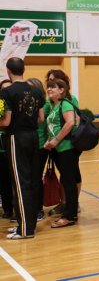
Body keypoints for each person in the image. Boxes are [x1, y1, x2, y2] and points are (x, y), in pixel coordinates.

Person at [0, 57, 45, 239]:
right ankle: (26, 224)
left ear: (8, 71)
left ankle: (25, 229)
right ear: (23, 70)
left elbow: (6, 121)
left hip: (16, 138)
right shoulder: (36, 91)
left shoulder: (6, 92)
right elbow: (40, 118)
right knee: (31, 181)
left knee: (19, 183)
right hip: (33, 137)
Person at [44, 79, 80, 228]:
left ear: (61, 90)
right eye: (48, 87)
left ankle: (70, 216)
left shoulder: (65, 104)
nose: (50, 89)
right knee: (66, 181)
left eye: (53, 87)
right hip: (59, 149)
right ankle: (68, 212)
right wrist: (49, 140)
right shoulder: (53, 105)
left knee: (69, 182)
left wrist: (56, 140)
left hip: (67, 149)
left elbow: (70, 122)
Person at [27, 78, 48, 221]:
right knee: (28, 178)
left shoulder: (44, 105)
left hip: (40, 146)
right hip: (28, 145)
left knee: (36, 177)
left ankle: (38, 208)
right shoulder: (29, 103)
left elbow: (40, 120)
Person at [0, 79, 13, 220]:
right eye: (3, 89)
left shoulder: (16, 104)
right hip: (2, 148)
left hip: (13, 144)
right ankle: (7, 208)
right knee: (3, 180)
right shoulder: (0, 104)